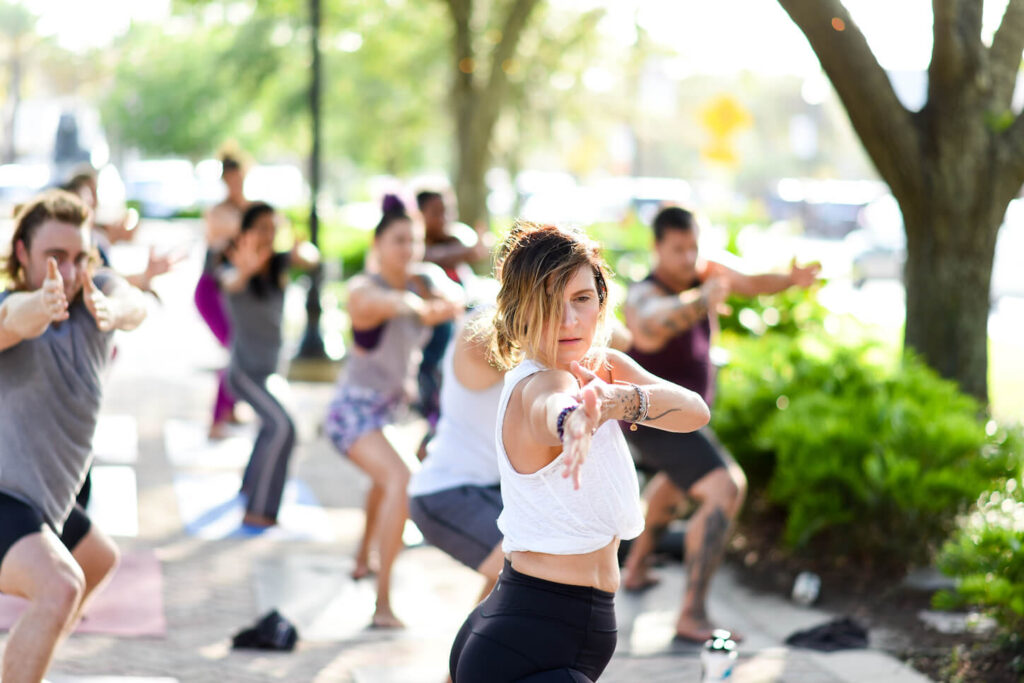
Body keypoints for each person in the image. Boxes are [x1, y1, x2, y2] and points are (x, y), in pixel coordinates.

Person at [449, 222, 710, 682]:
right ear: (520, 311)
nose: (570, 320)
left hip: (537, 627)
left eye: (582, 298)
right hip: (527, 639)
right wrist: (575, 421)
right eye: (550, 303)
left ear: (601, 302)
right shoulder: (540, 381)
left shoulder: (602, 367)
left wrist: (624, 402)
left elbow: (695, 411)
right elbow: (551, 408)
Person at [620, 206, 820, 643]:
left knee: (673, 488)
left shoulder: (703, 273)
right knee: (726, 487)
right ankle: (692, 614)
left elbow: (747, 281)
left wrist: (790, 279)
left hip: (679, 418)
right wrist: (701, 300)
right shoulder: (644, 292)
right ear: (656, 248)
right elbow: (649, 323)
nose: (689, 257)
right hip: (652, 418)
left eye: (694, 247)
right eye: (678, 250)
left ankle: (634, 570)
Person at [0, 189, 148, 683]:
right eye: (54, 257)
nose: (66, 270)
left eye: (78, 257)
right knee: (60, 585)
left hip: (44, 501)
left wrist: (115, 309)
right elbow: (12, 320)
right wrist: (39, 307)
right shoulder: (11, 302)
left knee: (98, 558)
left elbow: (134, 303)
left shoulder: (95, 293)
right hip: (4, 494)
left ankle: (24, 666)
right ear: (23, 253)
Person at [325, 195, 463, 628]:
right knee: (400, 478)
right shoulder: (364, 288)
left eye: (415, 241)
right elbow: (379, 305)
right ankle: (382, 605)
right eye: (399, 240)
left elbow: (456, 294)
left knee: (385, 482)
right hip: (352, 413)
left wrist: (443, 297)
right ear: (378, 244)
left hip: (390, 411)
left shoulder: (423, 277)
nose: (408, 250)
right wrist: (418, 307)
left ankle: (362, 559)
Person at [220, 201, 319, 528]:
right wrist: (245, 271)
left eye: (273, 228)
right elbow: (230, 281)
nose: (268, 235)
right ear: (245, 232)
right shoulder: (231, 262)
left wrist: (303, 250)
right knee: (284, 427)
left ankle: (249, 486)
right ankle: (259, 509)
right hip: (245, 372)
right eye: (261, 227)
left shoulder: (279, 264)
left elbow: (310, 258)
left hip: (271, 372)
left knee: (272, 427)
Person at [407, 311, 506, 604]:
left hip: (492, 488)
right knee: (531, 572)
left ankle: (476, 647)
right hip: (447, 492)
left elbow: (622, 337)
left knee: (514, 588)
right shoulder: (482, 326)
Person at [195, 152, 249, 439]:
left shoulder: (248, 209)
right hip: (211, 291)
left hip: (235, 293)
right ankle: (217, 418)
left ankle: (230, 408)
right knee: (235, 348)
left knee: (239, 347)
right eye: (230, 178)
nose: (235, 183)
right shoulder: (219, 213)